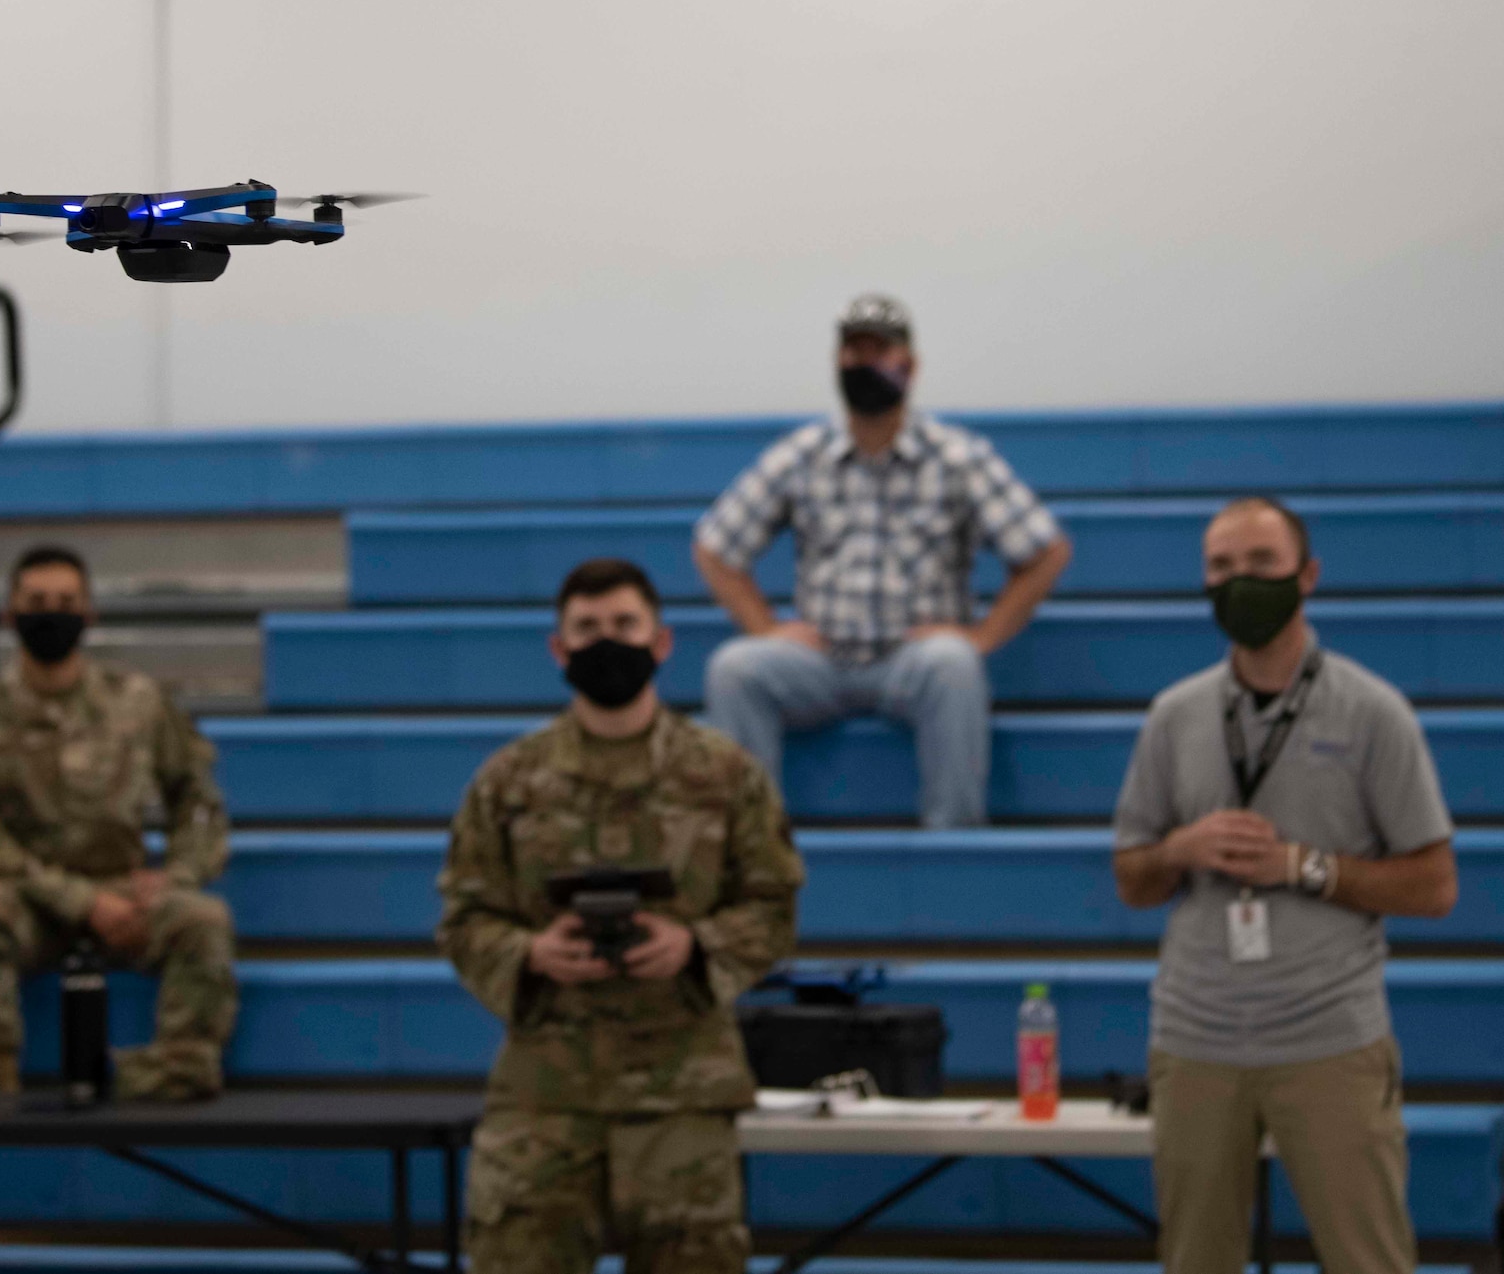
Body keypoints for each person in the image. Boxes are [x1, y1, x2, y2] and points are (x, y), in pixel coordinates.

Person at [1112, 497, 1458, 1274]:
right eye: (1221, 567)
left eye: (1261, 565)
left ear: (1308, 576)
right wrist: (1179, 848)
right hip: (1195, 1036)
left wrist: (1305, 866)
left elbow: (1435, 885)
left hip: (1328, 1036)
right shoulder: (1174, 715)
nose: (1240, 582)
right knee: (1196, 1260)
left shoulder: (1373, 712)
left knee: (1366, 1259)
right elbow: (1131, 878)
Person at [438, 558, 803, 1273]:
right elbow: (464, 916)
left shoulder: (725, 775)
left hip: (683, 1089)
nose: (608, 641)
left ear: (662, 642)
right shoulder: (509, 780)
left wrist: (695, 944)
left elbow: (775, 905)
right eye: (588, 628)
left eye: (624, 625)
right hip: (544, 1091)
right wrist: (531, 952)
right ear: (559, 648)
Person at [693, 292, 1072, 827]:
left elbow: (1045, 551)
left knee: (955, 664)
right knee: (734, 669)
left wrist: (983, 637)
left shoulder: (958, 457)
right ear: (837, 361)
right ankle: (752, 848)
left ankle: (953, 844)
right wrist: (763, 626)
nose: (863, 363)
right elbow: (716, 545)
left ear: (909, 366)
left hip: (912, 661)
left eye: (878, 351)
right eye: (853, 351)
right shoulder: (800, 455)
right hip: (819, 661)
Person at [0, 545, 237, 1100]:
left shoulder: (136, 701)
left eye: (66, 601)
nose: (52, 612)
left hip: (127, 898)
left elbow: (199, 798)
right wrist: (80, 902)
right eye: (37, 601)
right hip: (30, 902)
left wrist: (179, 875)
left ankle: (168, 1076)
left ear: (89, 614)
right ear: (9, 615)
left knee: (202, 919)